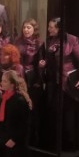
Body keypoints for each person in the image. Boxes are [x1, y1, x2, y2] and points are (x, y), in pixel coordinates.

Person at [40, 17, 79, 151]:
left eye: (51, 27)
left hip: (67, 82)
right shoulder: (50, 40)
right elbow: (50, 59)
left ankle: (69, 145)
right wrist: (44, 64)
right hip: (53, 82)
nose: (49, 29)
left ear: (59, 28)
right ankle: (55, 145)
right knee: (54, 113)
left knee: (68, 115)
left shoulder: (72, 40)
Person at [14, 18, 45, 147]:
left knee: (33, 110)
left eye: (29, 27)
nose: (26, 30)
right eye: (24, 27)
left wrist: (39, 79)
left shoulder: (40, 43)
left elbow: (41, 63)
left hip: (33, 78)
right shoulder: (17, 41)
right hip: (19, 77)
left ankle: (33, 140)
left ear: (34, 29)